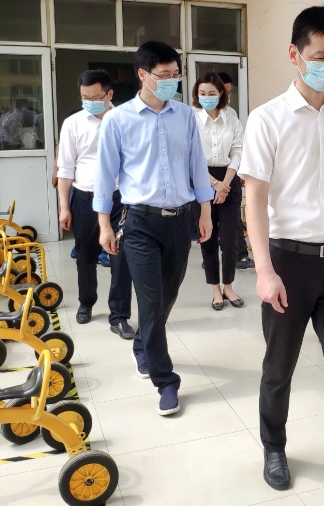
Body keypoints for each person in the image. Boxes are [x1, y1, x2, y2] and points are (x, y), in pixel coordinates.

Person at [239, 6, 324, 506]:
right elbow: (254, 199)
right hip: (288, 264)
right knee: (280, 368)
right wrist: (264, 271)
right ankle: (274, 446)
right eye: (320, 57)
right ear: (294, 55)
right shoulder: (267, 119)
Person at [94, 40, 214, 416]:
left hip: (180, 219)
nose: (172, 81)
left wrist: (205, 212)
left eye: (176, 74)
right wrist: (103, 225)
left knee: (167, 296)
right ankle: (166, 381)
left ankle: (142, 345)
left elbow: (197, 166)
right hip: (140, 222)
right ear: (143, 75)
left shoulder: (185, 116)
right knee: (149, 299)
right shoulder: (118, 120)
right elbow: (104, 177)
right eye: (164, 75)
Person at [56, 70, 135, 338]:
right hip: (85, 198)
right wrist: (64, 207)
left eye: (95, 97)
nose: (89, 102)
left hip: (118, 199)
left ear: (109, 94)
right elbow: (65, 168)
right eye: (84, 98)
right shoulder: (73, 124)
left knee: (120, 258)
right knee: (85, 256)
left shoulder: (125, 119)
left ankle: (119, 316)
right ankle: (86, 302)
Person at [191, 72, 245, 310]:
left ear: (221, 93)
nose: (207, 97)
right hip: (203, 179)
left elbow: (238, 151)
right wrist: (214, 183)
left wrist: (225, 184)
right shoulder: (192, 118)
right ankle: (215, 288)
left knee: (231, 239)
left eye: (211, 93)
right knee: (208, 237)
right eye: (202, 93)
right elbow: (191, 156)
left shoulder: (231, 117)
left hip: (229, 178)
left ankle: (229, 286)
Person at [217, 71, 255, 271]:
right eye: (224, 91)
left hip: (230, 170)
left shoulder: (231, 113)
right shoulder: (196, 114)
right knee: (211, 217)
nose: (228, 96)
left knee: (233, 217)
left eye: (230, 92)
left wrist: (238, 172)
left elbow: (238, 146)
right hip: (208, 174)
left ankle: (239, 255)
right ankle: (211, 258)